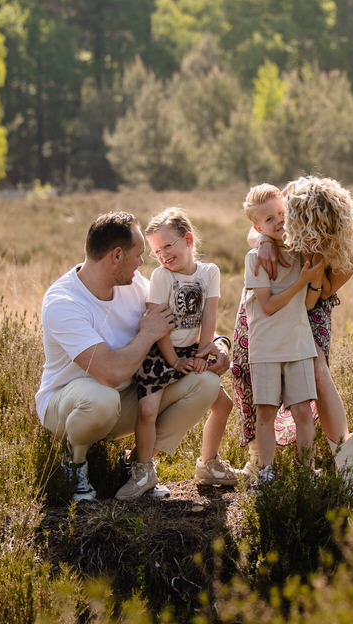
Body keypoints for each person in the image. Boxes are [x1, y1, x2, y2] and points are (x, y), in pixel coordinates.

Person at [35, 211, 227, 503]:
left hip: (121, 400)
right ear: (116, 256)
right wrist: (147, 334)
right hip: (68, 406)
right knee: (101, 398)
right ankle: (74, 464)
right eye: (139, 255)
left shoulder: (134, 283)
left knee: (207, 384)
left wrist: (219, 344)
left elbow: (177, 324)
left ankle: (138, 465)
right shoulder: (64, 303)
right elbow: (109, 373)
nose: (143, 263)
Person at [231, 176, 353, 477]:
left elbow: (323, 293)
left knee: (317, 371)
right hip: (276, 290)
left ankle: (345, 466)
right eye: (301, 230)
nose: (305, 237)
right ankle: (258, 459)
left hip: (315, 296)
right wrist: (263, 243)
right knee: (253, 369)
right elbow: (259, 226)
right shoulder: (294, 199)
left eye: (318, 235)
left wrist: (315, 264)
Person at [118, 208, 234, 499]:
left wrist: (203, 351)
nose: (164, 255)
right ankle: (142, 470)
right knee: (147, 410)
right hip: (161, 351)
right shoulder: (161, 277)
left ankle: (209, 463)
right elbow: (159, 326)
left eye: (168, 245)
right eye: (157, 251)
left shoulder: (209, 273)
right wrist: (175, 361)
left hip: (192, 350)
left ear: (188, 240)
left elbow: (210, 315)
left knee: (223, 405)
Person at [241, 184, 325, 485]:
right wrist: (302, 278)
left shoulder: (302, 251)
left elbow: (308, 303)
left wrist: (312, 279)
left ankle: (305, 473)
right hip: (266, 347)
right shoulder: (257, 258)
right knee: (265, 414)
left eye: (281, 213)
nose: (278, 221)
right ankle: (264, 473)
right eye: (268, 220)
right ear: (257, 227)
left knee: (303, 412)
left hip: (299, 343)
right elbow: (268, 305)